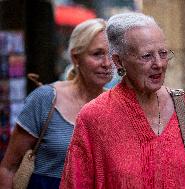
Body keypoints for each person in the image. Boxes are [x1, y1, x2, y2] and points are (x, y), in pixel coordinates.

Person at [60, 12, 185, 189]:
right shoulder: (94, 116)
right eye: (146, 56)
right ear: (119, 61)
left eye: (163, 53)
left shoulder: (180, 104)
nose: (159, 64)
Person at [0, 18, 112, 189]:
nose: (107, 63)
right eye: (97, 54)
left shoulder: (117, 106)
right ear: (76, 57)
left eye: (112, 55)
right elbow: (8, 168)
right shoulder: (45, 99)